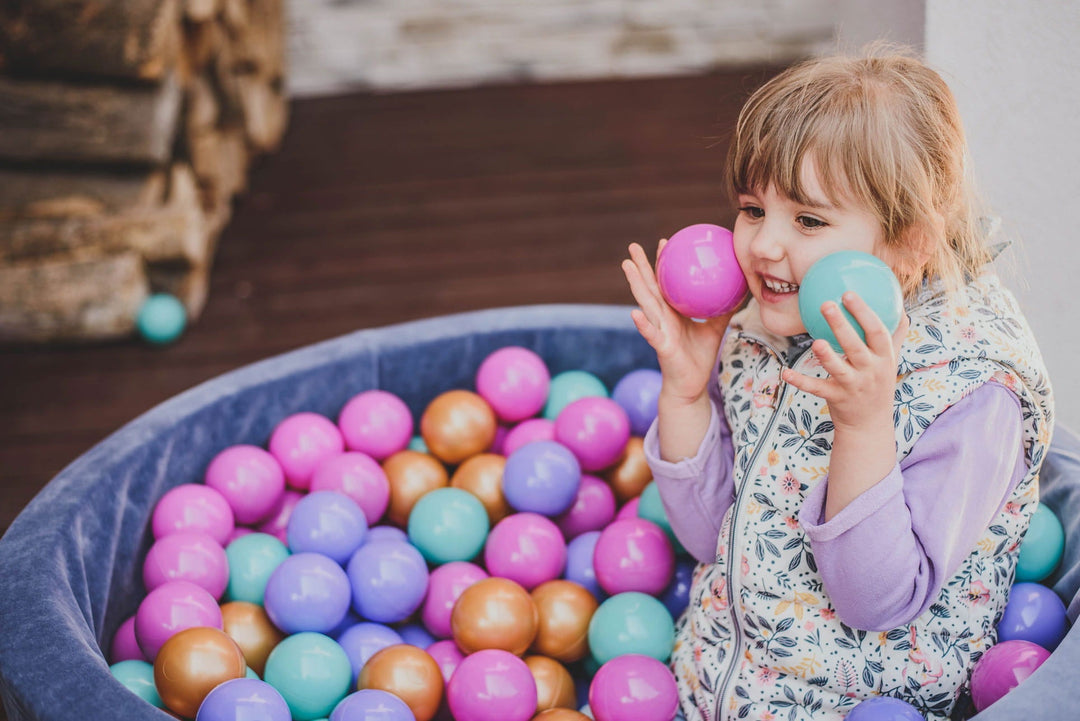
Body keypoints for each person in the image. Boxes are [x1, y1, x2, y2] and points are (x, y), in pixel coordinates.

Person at [622, 48, 1054, 721]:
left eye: (808, 220)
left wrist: (862, 425)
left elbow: (875, 600)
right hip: (711, 684)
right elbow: (708, 537)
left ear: (908, 244)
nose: (763, 246)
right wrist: (684, 391)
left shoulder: (971, 390)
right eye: (752, 208)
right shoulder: (768, 324)